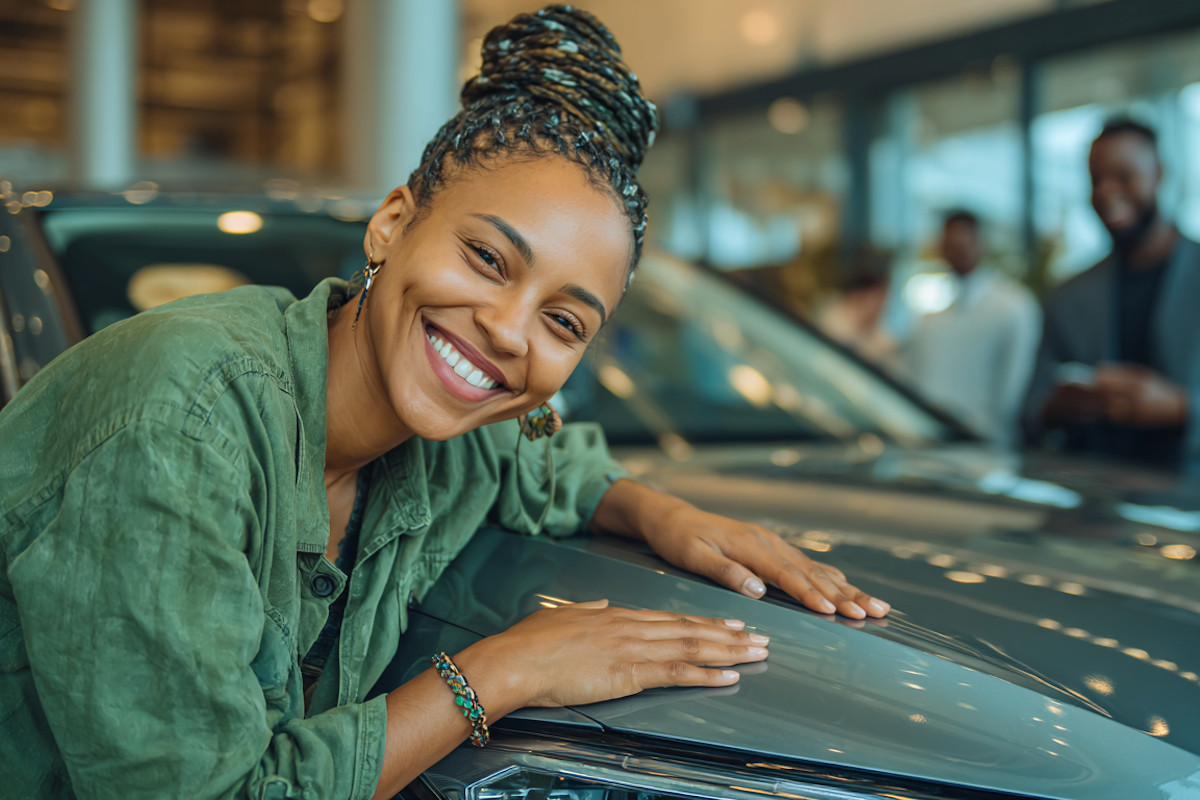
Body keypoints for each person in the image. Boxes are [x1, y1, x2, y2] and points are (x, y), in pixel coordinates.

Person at [0, 7, 888, 799]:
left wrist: (660, 511)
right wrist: (503, 673)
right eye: (488, 260)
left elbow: (545, 459)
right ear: (391, 222)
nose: (509, 332)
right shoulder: (180, 419)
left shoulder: (457, 435)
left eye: (565, 321)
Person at [1022, 118, 1200, 474]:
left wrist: (1181, 408)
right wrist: (1062, 406)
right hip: (1097, 501)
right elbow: (1030, 412)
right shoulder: (1068, 296)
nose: (1106, 192)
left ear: (1159, 174)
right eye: (1096, 180)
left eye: (1124, 176)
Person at [902, 210, 1041, 445]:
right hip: (931, 441)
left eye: (962, 241)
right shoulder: (932, 311)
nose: (956, 249)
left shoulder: (1012, 306)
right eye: (949, 243)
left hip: (987, 442)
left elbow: (1015, 385)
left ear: (980, 243)